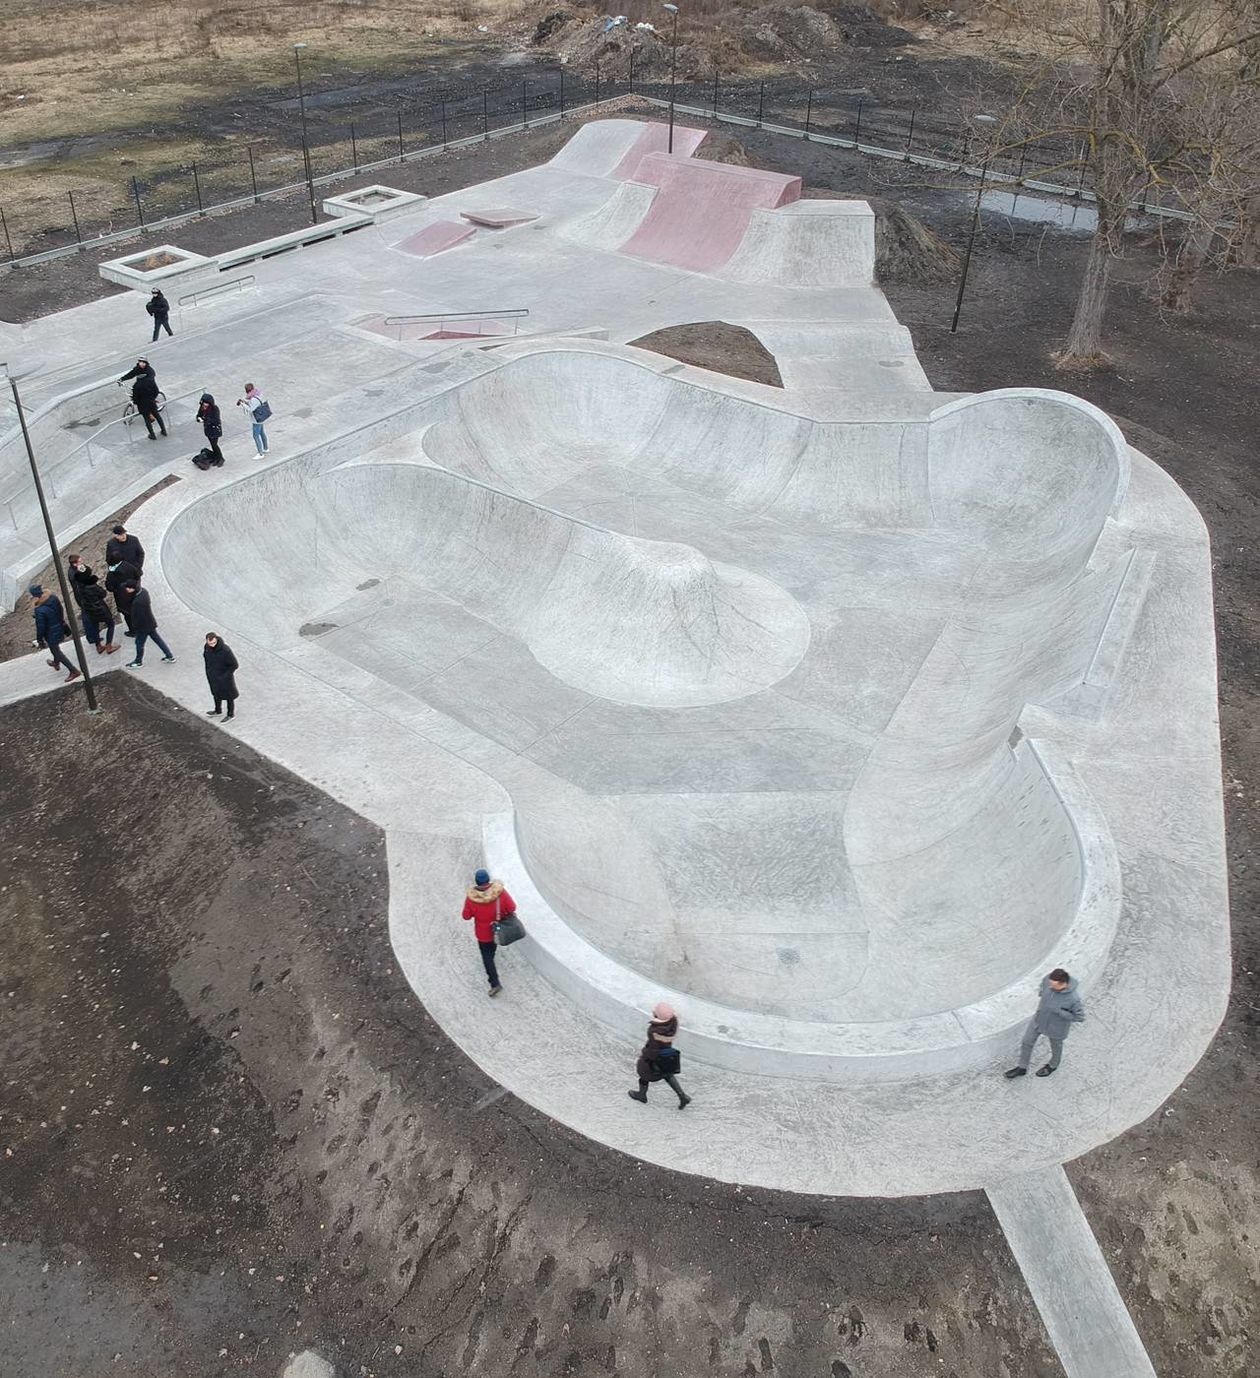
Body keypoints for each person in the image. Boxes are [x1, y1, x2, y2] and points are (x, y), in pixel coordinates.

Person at [1005, 968, 1086, 1079]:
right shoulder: (1048, 980)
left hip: (1057, 1027)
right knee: (1026, 1042)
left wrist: (1060, 1011)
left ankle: (1053, 1065)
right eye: (1050, 984)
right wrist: (1042, 992)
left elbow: (1080, 1017)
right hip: (1039, 1020)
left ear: (1063, 984)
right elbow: (1043, 986)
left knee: (1056, 1046)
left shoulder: (1073, 999)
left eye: (1054, 986)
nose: (1050, 987)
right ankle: (1022, 1067)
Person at [461, 868, 517, 997]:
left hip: (483, 934)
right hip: (498, 930)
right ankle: (491, 959)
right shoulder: (500, 893)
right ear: (488, 879)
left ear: (476, 882)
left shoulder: (471, 899)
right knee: (493, 947)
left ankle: (495, 983)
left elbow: (466, 916)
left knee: (487, 957)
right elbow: (512, 907)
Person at [628, 1002, 691, 1109]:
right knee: (668, 1074)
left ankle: (642, 1095)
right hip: (667, 1054)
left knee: (644, 1075)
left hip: (655, 1057)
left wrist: (645, 1054)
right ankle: (682, 1096)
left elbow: (653, 1049)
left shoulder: (654, 1031)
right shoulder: (673, 1023)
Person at [29, 584, 80, 682]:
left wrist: (39, 639)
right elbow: (60, 609)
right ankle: (56, 663)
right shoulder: (53, 597)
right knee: (55, 649)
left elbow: (41, 627)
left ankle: (73, 671)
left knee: (56, 651)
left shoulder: (39, 610)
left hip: (51, 633)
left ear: (34, 595)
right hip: (60, 626)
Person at [121, 582, 175, 668]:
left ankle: (138, 661)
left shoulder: (137, 602)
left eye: (127, 588)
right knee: (158, 640)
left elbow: (139, 617)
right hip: (150, 622)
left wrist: (135, 627)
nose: (126, 590)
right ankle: (169, 655)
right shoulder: (144, 592)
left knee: (139, 643)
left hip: (143, 627)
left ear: (132, 589)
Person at [69, 563, 119, 654]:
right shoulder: (92, 586)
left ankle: (98, 646)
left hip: (89, 610)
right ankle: (109, 645)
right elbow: (103, 593)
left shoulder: (79, 587)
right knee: (110, 624)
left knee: (95, 627)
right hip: (100, 609)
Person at [120, 359, 166, 440]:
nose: (141, 364)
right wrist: (152, 398)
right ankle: (164, 430)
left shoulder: (136, 386)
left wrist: (137, 402)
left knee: (147, 420)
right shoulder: (150, 381)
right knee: (157, 416)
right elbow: (156, 391)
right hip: (151, 401)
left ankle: (152, 435)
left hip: (143, 405)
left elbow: (135, 398)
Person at [203, 632, 239, 719]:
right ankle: (217, 710)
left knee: (229, 696)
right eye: (210, 643)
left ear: (216, 640)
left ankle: (230, 714)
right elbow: (206, 659)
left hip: (225, 679)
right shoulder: (207, 648)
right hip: (213, 676)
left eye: (213, 643)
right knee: (216, 694)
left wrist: (225, 676)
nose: (212, 645)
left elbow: (234, 665)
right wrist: (208, 671)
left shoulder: (225, 651)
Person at [105, 557, 142, 634]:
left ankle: (133, 631)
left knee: (128, 615)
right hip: (133, 593)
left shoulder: (112, 574)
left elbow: (110, 588)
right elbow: (138, 574)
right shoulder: (128, 565)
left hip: (122, 598)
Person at [236, 383, 270, 458]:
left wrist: (243, 404)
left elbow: (250, 409)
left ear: (247, 391)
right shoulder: (257, 394)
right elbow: (254, 404)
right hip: (261, 417)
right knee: (262, 433)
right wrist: (246, 402)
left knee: (255, 436)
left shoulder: (253, 399)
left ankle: (260, 453)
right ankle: (265, 448)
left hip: (256, 420)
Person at [197, 393, 224, 466]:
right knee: (212, 444)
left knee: (215, 444)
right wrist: (199, 419)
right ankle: (216, 457)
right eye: (204, 405)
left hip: (215, 429)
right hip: (208, 430)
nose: (204, 407)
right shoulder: (202, 408)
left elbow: (216, 420)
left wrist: (205, 419)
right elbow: (198, 415)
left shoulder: (215, 409)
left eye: (206, 405)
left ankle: (220, 458)